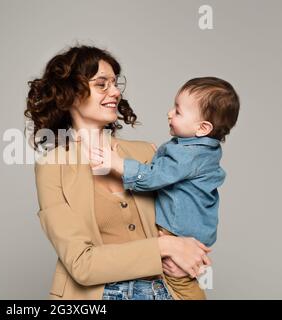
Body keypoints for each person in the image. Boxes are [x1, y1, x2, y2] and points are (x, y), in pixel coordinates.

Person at [25, 45, 211, 300]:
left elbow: (186, 229)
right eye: (102, 84)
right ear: (70, 94)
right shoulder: (52, 167)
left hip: (166, 292)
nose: (115, 92)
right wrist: (164, 247)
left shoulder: (147, 153)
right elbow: (82, 264)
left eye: (115, 83)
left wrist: (178, 254)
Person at [89, 77, 240, 299]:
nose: (170, 113)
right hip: (194, 230)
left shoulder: (189, 154)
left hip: (179, 230)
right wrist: (156, 156)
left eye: (178, 112)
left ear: (202, 128)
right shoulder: (195, 149)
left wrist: (118, 163)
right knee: (178, 278)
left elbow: (153, 178)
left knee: (178, 279)